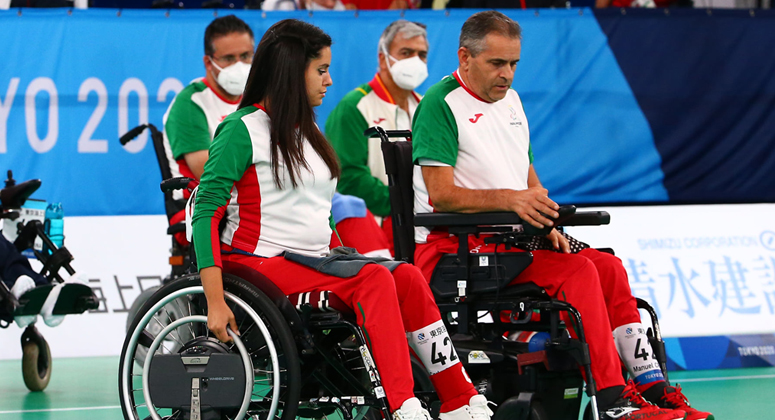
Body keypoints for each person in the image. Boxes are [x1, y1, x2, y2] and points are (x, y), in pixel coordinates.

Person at [410, 11, 712, 420]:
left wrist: (546, 219)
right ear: (465, 57)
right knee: (578, 274)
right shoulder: (439, 103)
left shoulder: (511, 102)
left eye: (514, 63)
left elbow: (529, 181)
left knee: (607, 266)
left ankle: (654, 389)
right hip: (456, 250)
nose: (507, 74)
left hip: (510, 242)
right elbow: (440, 194)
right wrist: (512, 201)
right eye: (497, 63)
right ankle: (612, 401)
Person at [191, 19, 491, 420]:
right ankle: (404, 406)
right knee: (375, 279)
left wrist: (341, 252)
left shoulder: (305, 130)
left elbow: (313, 212)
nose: (329, 80)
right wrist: (213, 300)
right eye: (320, 70)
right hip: (257, 265)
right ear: (290, 73)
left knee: (406, 276)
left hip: (310, 260)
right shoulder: (241, 129)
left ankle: (460, 400)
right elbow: (205, 214)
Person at [327, 20, 428, 256]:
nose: (415, 60)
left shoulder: (426, 107)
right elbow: (348, 178)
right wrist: (409, 202)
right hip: (374, 228)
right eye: (406, 52)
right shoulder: (354, 107)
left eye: (421, 54)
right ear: (383, 58)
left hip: (423, 225)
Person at [162, 15, 254, 243]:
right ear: (208, 62)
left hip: (247, 201)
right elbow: (208, 174)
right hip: (202, 206)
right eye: (229, 58)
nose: (239, 65)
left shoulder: (257, 98)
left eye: (245, 56)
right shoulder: (191, 103)